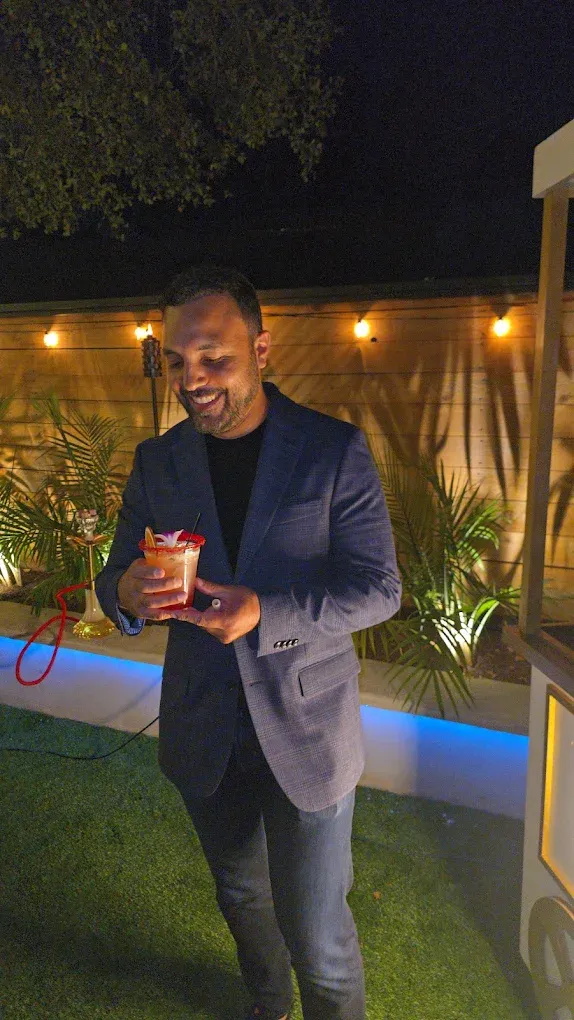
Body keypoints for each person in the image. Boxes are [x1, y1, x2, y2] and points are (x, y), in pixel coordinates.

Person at [95, 266, 401, 1020]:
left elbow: (378, 588)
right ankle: (267, 1005)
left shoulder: (333, 452)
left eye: (213, 357)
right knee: (239, 895)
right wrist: (127, 595)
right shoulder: (157, 461)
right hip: (205, 726)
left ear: (262, 349)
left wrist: (266, 610)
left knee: (320, 936)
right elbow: (115, 577)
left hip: (306, 735)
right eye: (176, 360)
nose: (190, 379)